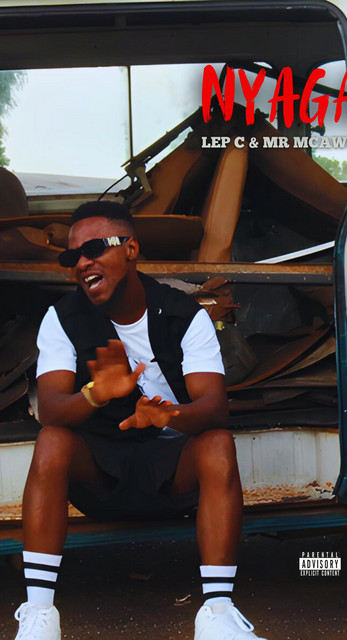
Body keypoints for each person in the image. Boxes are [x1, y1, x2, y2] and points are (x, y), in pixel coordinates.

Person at [13, 201, 266, 640]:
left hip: (171, 470)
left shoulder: (184, 314)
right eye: (73, 256)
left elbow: (215, 407)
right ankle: (39, 616)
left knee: (218, 443)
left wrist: (169, 414)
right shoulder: (63, 318)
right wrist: (95, 394)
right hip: (101, 472)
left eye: (94, 248)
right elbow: (50, 408)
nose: (83, 262)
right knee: (52, 440)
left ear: (130, 249)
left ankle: (218, 614)